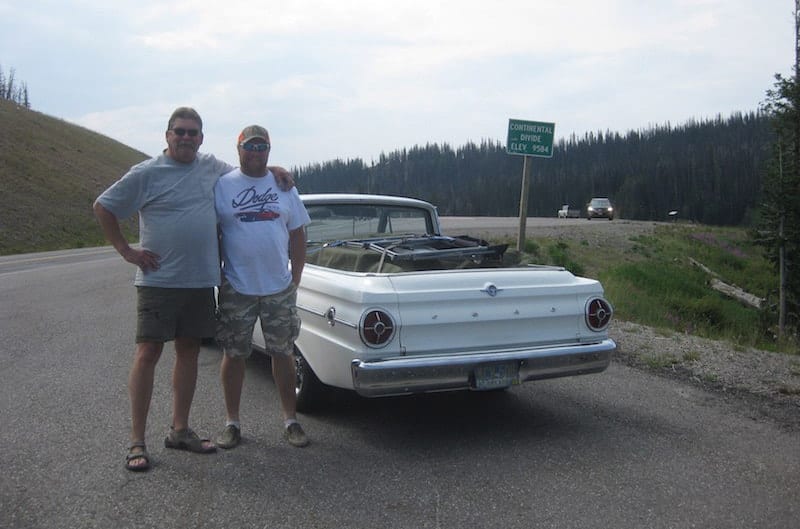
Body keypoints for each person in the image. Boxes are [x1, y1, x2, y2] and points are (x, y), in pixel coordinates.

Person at [94, 107, 293, 472]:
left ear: (201, 139)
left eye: (193, 132)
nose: (186, 137)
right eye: (179, 132)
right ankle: (137, 441)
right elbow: (104, 207)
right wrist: (127, 251)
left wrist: (275, 170)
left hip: (201, 281)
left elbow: (249, 171)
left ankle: (180, 430)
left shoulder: (211, 168)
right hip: (158, 280)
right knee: (147, 353)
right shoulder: (146, 173)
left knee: (188, 352)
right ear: (167, 136)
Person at [214, 124, 311, 450]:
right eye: (250, 147)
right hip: (237, 287)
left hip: (278, 287)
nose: (256, 153)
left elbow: (298, 235)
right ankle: (232, 423)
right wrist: (218, 276)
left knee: (283, 353)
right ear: (238, 148)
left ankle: (290, 420)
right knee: (234, 354)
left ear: (269, 150)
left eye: (262, 147)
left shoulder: (284, 186)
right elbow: (213, 234)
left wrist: (295, 278)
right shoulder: (222, 185)